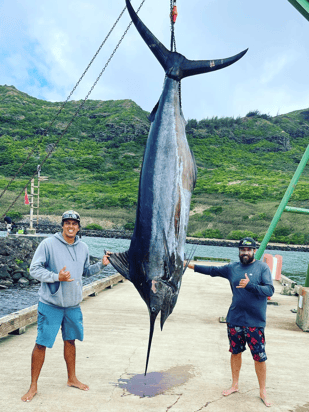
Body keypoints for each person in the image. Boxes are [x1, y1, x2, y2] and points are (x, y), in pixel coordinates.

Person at [21, 210, 111, 402]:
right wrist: (56, 277)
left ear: (78, 227)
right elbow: (34, 269)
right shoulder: (48, 244)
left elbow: (86, 271)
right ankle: (33, 386)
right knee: (41, 343)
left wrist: (102, 265)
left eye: (74, 223)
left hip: (73, 305)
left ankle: (71, 378)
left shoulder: (84, 247)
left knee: (70, 341)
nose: (71, 226)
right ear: (62, 225)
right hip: (50, 304)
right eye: (67, 223)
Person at [186, 237, 274, 407]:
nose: (245, 252)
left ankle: (262, 390)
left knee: (259, 356)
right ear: (239, 251)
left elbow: (269, 290)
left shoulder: (262, 268)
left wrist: (250, 285)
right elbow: (212, 270)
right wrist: (188, 265)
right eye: (242, 249)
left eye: (248, 250)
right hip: (235, 319)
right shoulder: (232, 268)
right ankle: (235, 384)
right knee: (235, 352)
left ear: (254, 251)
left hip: (255, 321)